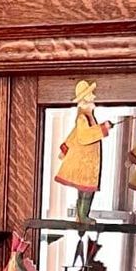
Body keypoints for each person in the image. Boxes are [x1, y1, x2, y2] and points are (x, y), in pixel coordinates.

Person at [54, 79, 111, 224]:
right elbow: (84, 136)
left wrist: (65, 149)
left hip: (87, 162)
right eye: (90, 95)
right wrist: (103, 128)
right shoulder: (83, 118)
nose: (93, 98)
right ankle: (83, 216)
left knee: (84, 191)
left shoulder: (86, 117)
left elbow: (73, 135)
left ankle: (81, 216)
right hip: (85, 163)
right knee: (86, 192)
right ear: (84, 100)